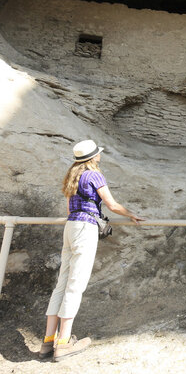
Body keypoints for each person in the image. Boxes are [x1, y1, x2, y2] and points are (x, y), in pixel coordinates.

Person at [39, 140, 145, 361]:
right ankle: (65, 342)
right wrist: (131, 214)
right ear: (93, 157)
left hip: (70, 227)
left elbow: (70, 208)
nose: (100, 156)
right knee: (75, 285)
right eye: (98, 154)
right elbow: (112, 205)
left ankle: (48, 341)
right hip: (85, 229)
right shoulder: (94, 175)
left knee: (62, 283)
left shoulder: (72, 175)